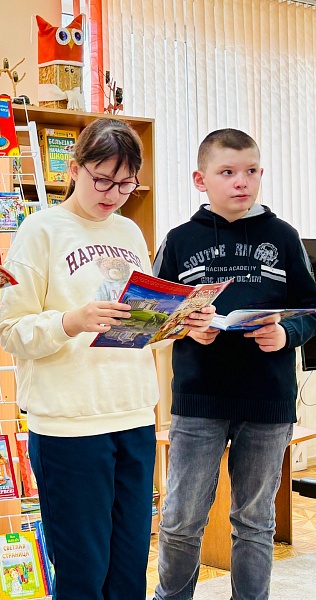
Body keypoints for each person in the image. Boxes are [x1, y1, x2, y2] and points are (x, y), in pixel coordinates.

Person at [0, 118, 209, 599]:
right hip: (69, 426)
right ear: (74, 169)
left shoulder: (129, 231)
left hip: (133, 416)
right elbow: (9, 331)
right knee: (83, 575)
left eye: (126, 184)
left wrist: (179, 324)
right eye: (103, 180)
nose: (113, 194)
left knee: (130, 570)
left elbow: (139, 329)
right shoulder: (40, 230)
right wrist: (70, 321)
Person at [152, 128, 316, 600]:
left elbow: (311, 308)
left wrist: (287, 333)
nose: (241, 181)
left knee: (255, 520)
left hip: (267, 400)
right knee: (181, 518)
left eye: (251, 171)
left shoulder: (283, 237)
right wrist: (186, 328)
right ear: (200, 179)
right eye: (227, 172)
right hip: (199, 398)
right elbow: (154, 314)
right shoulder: (179, 240)